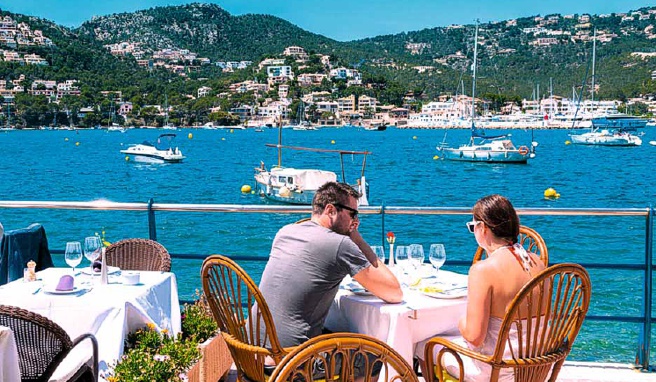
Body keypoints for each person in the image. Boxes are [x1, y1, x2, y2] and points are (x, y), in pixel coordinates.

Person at [259, 181, 402, 349]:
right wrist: (357, 238)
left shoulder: (286, 231)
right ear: (331, 210)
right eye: (353, 214)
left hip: (251, 350)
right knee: (374, 355)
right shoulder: (339, 244)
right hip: (292, 359)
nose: (356, 220)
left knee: (337, 331)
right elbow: (394, 293)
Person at [418, 194, 546, 382]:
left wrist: (460, 321)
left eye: (472, 227)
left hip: (496, 370)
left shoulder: (483, 271)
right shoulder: (537, 262)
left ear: (482, 228)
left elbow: (475, 337)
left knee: (423, 345)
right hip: (535, 367)